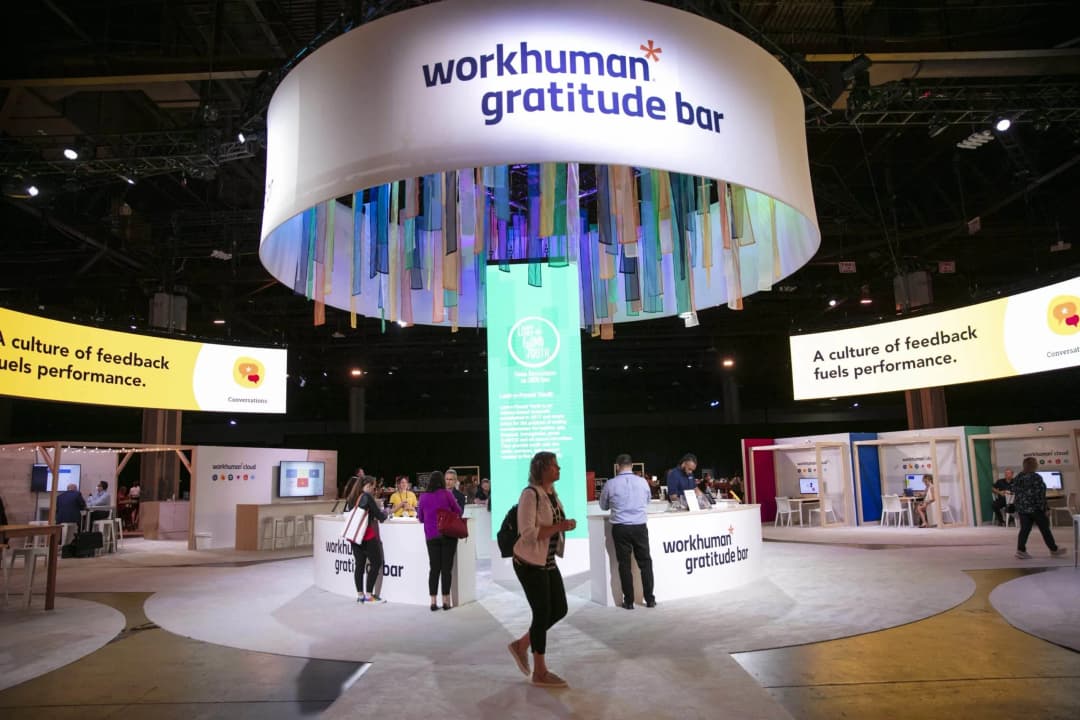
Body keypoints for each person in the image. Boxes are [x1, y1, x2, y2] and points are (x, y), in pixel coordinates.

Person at [507, 451, 576, 688]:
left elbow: (552, 526)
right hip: (529, 563)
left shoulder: (551, 495)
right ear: (542, 469)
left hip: (547, 562)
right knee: (542, 612)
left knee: (559, 609)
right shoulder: (529, 495)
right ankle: (540, 671)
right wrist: (559, 526)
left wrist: (564, 526)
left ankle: (522, 644)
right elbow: (527, 534)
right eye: (555, 466)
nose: (559, 469)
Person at [598, 453, 656, 610]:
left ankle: (629, 601)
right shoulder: (643, 482)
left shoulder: (611, 484)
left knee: (624, 565)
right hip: (639, 526)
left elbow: (603, 506)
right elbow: (648, 501)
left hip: (620, 528)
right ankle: (649, 599)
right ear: (632, 465)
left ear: (618, 466)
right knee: (645, 563)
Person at [416, 471, 463, 611]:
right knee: (446, 569)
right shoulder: (447, 494)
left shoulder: (423, 497)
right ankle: (446, 601)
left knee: (434, 569)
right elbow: (458, 511)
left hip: (431, 536)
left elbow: (420, 518)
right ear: (442, 481)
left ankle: (433, 601)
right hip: (447, 535)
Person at [1012, 456, 1068, 560]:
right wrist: (1045, 508)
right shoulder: (1036, 477)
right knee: (1045, 529)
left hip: (1022, 509)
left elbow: (1014, 491)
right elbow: (1040, 495)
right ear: (1034, 465)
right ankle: (1053, 549)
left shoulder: (1018, 477)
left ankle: (1020, 550)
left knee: (1024, 529)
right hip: (1036, 509)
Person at [344, 475, 388, 603]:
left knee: (359, 565)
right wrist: (387, 512)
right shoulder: (367, 496)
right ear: (368, 485)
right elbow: (380, 516)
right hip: (366, 534)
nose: (374, 490)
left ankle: (360, 595)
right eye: (373, 487)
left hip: (354, 536)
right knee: (376, 563)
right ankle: (369, 595)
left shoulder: (352, 497)